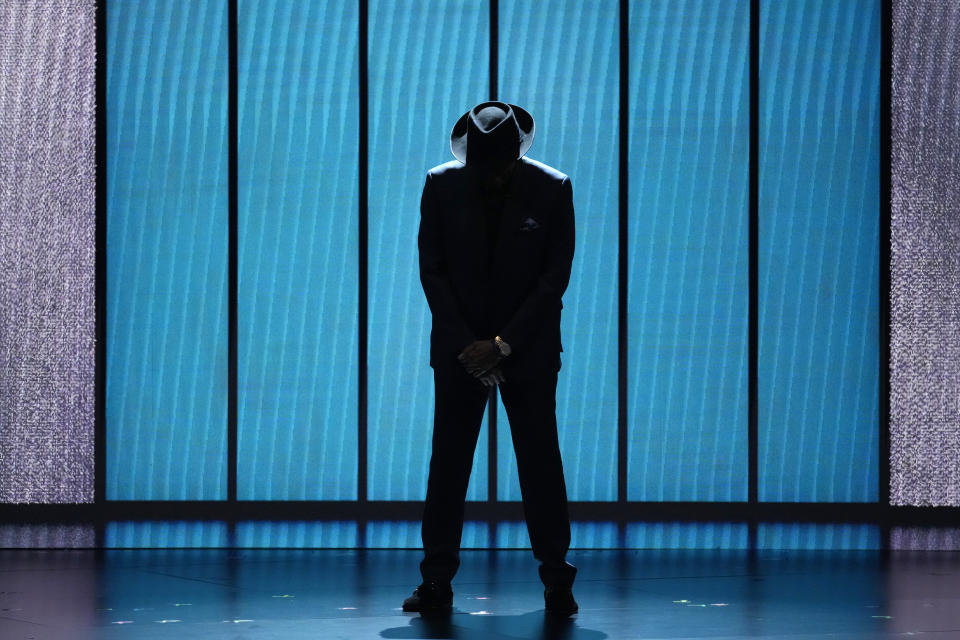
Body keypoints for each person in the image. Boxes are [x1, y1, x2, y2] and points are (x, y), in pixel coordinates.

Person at [402, 101, 578, 616]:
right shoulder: (441, 184)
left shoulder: (554, 188)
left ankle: (556, 579)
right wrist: (470, 345)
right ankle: (437, 580)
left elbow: (555, 277)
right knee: (449, 464)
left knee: (539, 463)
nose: (492, 171)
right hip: (465, 351)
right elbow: (430, 269)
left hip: (521, 349)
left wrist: (500, 344)